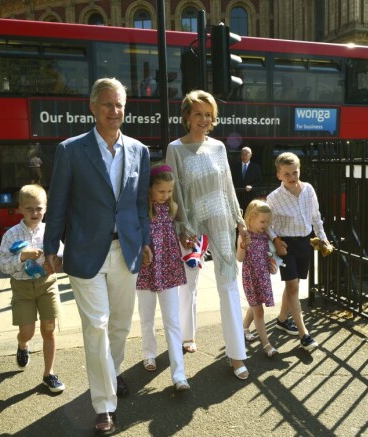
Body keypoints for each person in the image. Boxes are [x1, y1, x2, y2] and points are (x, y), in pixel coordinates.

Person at [43, 77, 152, 436]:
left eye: (120, 104)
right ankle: (104, 405)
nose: (115, 111)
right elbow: (57, 203)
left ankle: (110, 370)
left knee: (120, 325)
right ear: (92, 107)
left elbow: (139, 204)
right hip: (86, 252)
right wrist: (50, 247)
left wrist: (146, 240)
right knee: (98, 326)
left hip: (127, 250)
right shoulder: (71, 150)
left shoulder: (139, 150)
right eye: (107, 104)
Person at [166, 89, 250, 380]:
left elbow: (227, 186)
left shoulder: (218, 148)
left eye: (208, 114)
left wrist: (240, 221)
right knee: (188, 284)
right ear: (187, 116)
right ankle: (187, 334)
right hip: (190, 225)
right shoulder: (175, 148)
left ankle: (237, 354)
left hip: (222, 221)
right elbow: (175, 191)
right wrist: (182, 227)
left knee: (228, 284)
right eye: (198, 113)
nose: (204, 119)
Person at [0, 184, 65, 393]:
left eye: (39, 208)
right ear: (20, 209)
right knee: (27, 332)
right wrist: (23, 256)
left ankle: (49, 374)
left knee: (49, 330)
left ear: (45, 208)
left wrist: (55, 264)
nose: (34, 213)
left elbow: (61, 257)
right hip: (22, 288)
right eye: (29, 208)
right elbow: (2, 264)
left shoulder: (50, 232)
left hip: (47, 285)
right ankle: (22, 345)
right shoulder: (11, 234)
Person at [266, 152, 329, 351]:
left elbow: (315, 216)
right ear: (279, 175)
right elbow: (267, 225)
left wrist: (323, 237)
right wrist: (276, 240)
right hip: (286, 245)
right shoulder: (273, 198)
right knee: (293, 286)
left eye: (295, 172)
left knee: (293, 284)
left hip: (304, 243)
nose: (292, 177)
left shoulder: (308, 189)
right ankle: (304, 335)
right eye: (287, 174)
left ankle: (282, 320)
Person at [136, 163, 190, 392]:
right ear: (149, 189)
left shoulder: (172, 208)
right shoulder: (141, 211)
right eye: (161, 191)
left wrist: (186, 238)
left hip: (168, 269)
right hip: (146, 268)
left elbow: (177, 233)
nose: (166, 196)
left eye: (169, 191)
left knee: (172, 321)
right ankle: (149, 353)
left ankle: (179, 375)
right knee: (146, 316)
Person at [236, 200, 279, 357]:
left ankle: (245, 328)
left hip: (263, 276)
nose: (265, 225)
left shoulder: (264, 236)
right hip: (251, 277)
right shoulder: (244, 236)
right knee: (258, 310)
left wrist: (272, 265)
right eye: (262, 221)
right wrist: (242, 246)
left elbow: (268, 256)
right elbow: (239, 259)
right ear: (251, 217)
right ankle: (267, 345)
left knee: (256, 306)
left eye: (267, 222)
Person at [231, 146, 263, 215]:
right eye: (242, 154)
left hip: (250, 197)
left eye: (246, 154)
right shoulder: (235, 167)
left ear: (250, 155)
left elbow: (259, 182)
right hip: (237, 197)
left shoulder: (256, 167)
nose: (244, 156)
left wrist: (252, 186)